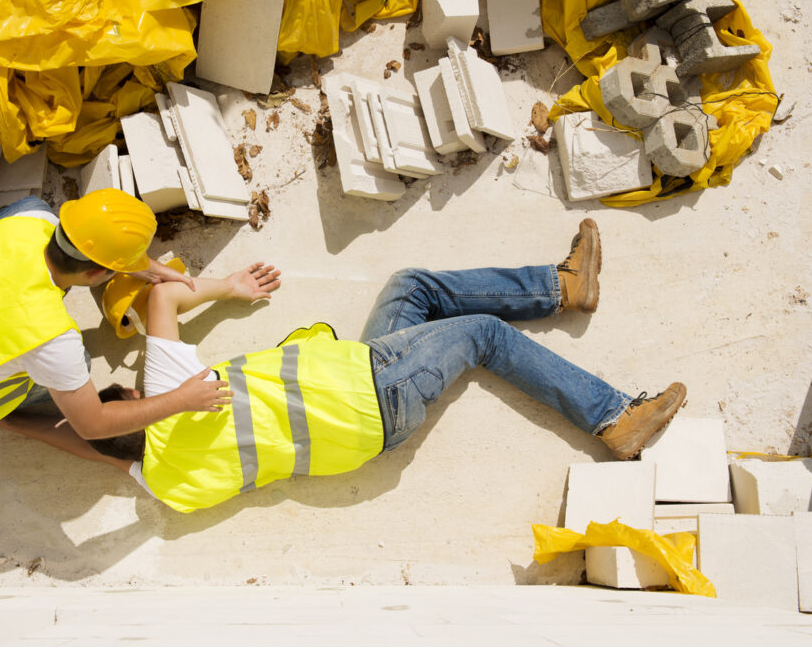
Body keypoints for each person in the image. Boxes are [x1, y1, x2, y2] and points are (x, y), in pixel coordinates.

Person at [89, 219, 687, 512]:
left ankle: (563, 287)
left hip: (364, 417)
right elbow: (163, 298)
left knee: (411, 289)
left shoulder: (164, 486)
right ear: (131, 402)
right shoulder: (166, 391)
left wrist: (19, 424)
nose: (127, 379)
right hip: (370, 389)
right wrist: (227, 285)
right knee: (483, 334)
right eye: (120, 388)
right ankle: (613, 418)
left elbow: (91, 440)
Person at [0, 188, 233, 460]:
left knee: (24, 210)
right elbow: (93, 425)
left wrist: (145, 266)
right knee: (81, 367)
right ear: (97, 273)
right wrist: (181, 399)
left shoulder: (32, 221)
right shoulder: (51, 339)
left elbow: (83, 246)